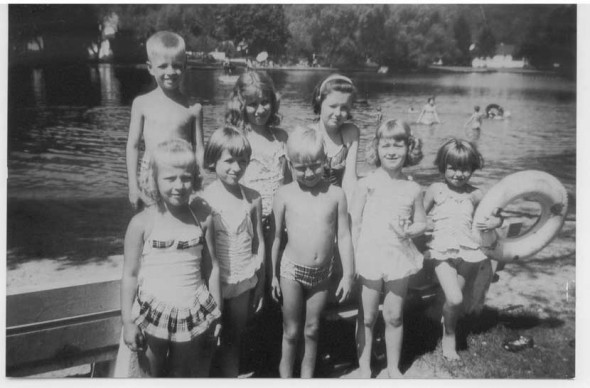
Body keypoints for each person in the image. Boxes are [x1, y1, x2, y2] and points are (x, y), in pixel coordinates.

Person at [121, 139, 221, 377]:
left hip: (191, 310)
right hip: (153, 312)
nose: (179, 185)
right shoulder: (141, 223)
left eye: (186, 177)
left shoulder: (203, 219)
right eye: (170, 178)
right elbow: (130, 275)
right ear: (154, 179)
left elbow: (213, 269)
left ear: (195, 178)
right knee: (148, 375)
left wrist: (218, 316)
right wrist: (128, 321)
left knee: (183, 375)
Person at [270, 127, 355, 378]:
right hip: (291, 272)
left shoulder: (336, 195)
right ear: (289, 164)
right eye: (300, 168)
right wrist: (272, 275)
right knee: (292, 331)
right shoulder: (284, 194)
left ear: (325, 160)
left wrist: (349, 273)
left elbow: (345, 236)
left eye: (315, 166)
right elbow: (275, 238)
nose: (308, 173)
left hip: (322, 273)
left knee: (312, 329)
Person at [350, 119, 426, 378]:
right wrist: (352, 261)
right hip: (369, 256)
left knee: (394, 315)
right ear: (376, 148)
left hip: (398, 256)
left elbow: (421, 222)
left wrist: (413, 230)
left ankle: (393, 367)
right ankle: (364, 367)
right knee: (368, 316)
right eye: (386, 145)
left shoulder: (413, 188)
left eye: (398, 144)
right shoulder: (366, 183)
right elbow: (355, 224)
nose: (392, 151)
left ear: (409, 148)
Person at [423, 138, 503, 360]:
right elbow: (419, 215)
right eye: (452, 168)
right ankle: (449, 337)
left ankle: (444, 319)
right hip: (442, 253)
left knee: (455, 303)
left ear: (473, 168)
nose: (458, 174)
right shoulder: (435, 189)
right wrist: (424, 223)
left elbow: (497, 217)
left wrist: (496, 223)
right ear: (443, 167)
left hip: (468, 254)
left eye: (464, 169)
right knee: (456, 299)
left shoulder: (476, 194)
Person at [202, 126, 265, 377]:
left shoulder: (252, 198)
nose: (236, 168)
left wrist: (259, 284)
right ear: (213, 160)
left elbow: (259, 243)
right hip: (210, 284)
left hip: (242, 279)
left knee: (233, 340)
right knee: (207, 338)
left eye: (242, 161)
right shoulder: (203, 200)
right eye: (228, 161)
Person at [126, 31, 205, 210]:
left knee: (183, 217)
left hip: (182, 172)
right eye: (163, 66)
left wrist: (199, 180)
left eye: (177, 65)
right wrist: (133, 186)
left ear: (185, 66)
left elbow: (199, 147)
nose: (170, 72)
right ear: (150, 68)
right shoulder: (142, 104)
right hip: (151, 172)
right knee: (152, 218)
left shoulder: (193, 108)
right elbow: (133, 146)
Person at [226, 71, 290, 232]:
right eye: (253, 104)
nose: (260, 110)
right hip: (248, 218)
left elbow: (289, 181)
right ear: (240, 105)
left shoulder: (281, 137)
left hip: (279, 218)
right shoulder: (237, 138)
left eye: (265, 102)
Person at [311, 73, 360, 199]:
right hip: (312, 201)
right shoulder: (308, 133)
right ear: (319, 101)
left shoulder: (351, 133)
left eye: (344, 108)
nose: (337, 113)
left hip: (339, 201)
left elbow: (350, 179)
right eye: (332, 106)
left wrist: (348, 213)